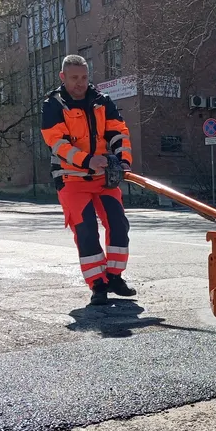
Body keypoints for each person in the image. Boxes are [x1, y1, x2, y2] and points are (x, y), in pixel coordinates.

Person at [41, 54, 136, 306]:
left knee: (118, 225)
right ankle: (98, 284)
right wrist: (87, 160)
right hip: (71, 179)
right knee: (86, 231)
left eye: (83, 77)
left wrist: (123, 160)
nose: (80, 83)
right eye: (74, 78)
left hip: (104, 178)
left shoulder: (102, 101)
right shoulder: (54, 105)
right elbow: (57, 143)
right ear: (63, 77)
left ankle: (114, 276)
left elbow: (119, 132)